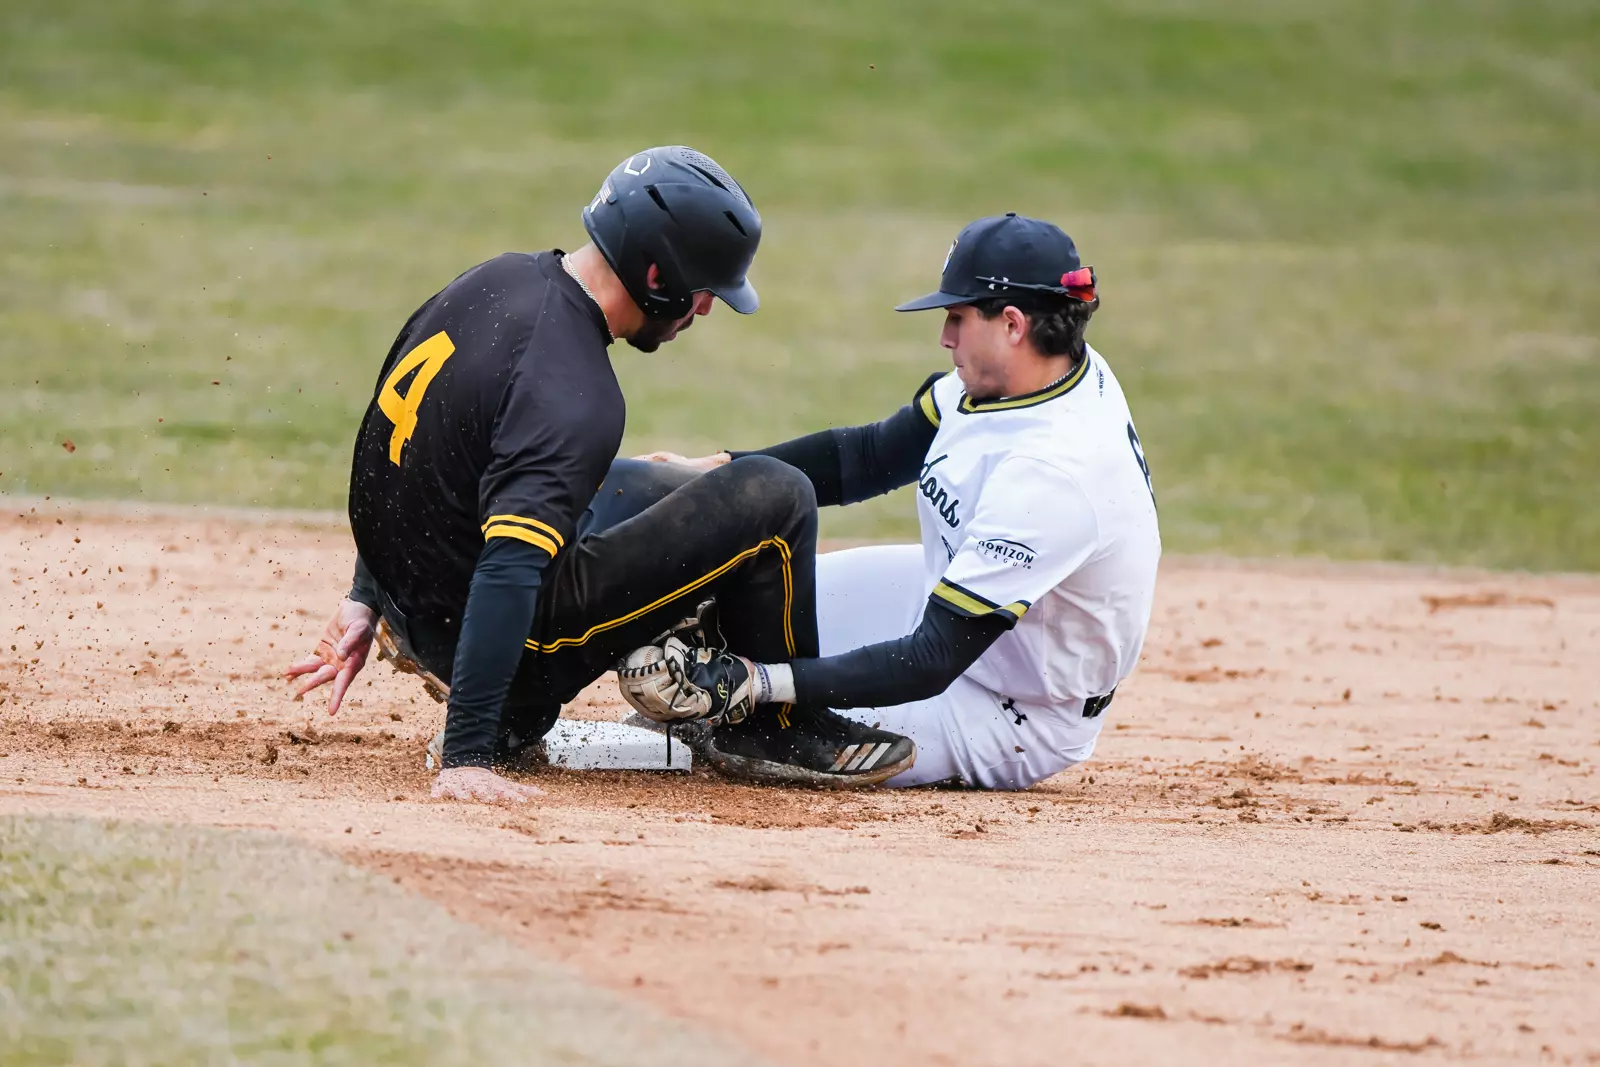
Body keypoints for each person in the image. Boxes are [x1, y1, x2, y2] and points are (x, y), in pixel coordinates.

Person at [285, 146, 914, 803]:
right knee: (777, 497)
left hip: (419, 595)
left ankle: (695, 691)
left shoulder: (493, 283)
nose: (704, 310)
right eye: (702, 291)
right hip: (488, 626)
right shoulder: (575, 394)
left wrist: (369, 593)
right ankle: (772, 726)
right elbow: (509, 570)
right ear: (655, 274)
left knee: (674, 487)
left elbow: (401, 440)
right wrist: (469, 752)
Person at [623, 213, 1161, 790]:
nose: (945, 337)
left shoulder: (1053, 473)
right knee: (731, 606)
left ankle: (715, 714)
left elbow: (930, 660)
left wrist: (753, 681)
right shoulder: (1028, 371)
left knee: (754, 724)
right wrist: (720, 470)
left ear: (1011, 324)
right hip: (952, 597)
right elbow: (869, 457)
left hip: (1015, 705)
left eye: (957, 317)